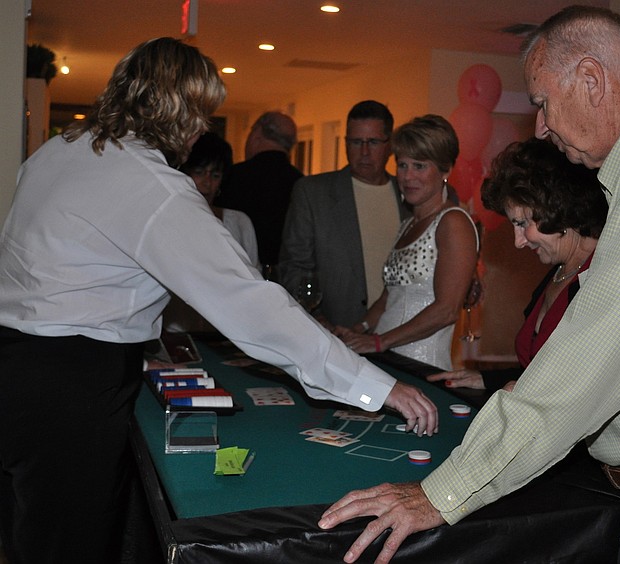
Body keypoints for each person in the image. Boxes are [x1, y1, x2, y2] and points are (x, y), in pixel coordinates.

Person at [318, 6, 620, 564]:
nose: (540, 125)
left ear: (590, 79)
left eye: (541, 102)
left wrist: (443, 492)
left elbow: (593, 351)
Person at [0, 37, 436, 564]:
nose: (202, 128)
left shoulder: (59, 149)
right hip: (72, 383)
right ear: (177, 110)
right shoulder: (154, 186)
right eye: (201, 113)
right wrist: (376, 385)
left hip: (16, 364)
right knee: (69, 545)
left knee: (28, 531)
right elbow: (251, 305)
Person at [427, 137, 607, 393]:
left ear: (557, 207)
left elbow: (591, 384)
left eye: (522, 224)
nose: (518, 242)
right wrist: (488, 379)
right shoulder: (557, 273)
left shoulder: (604, 276)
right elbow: (535, 371)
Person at [338, 114, 479, 371]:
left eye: (419, 166)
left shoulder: (453, 222)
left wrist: (380, 341)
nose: (407, 176)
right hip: (386, 360)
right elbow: (388, 299)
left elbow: (447, 310)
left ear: (445, 170)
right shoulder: (407, 224)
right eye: (402, 165)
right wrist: (356, 330)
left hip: (421, 365)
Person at [279, 100, 407, 328]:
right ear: (346, 143)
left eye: (373, 142)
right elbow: (294, 267)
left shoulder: (409, 195)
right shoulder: (313, 193)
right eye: (356, 142)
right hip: (338, 332)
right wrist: (317, 318)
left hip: (402, 330)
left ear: (390, 146)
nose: (364, 152)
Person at [163, 132, 260, 332]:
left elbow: (254, 284)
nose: (207, 183)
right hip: (177, 333)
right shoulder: (166, 221)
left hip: (228, 334)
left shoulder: (239, 222)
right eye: (199, 172)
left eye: (215, 175)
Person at [215, 110, 303, 276]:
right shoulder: (301, 184)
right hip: (286, 277)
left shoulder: (232, 177)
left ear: (256, 135)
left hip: (237, 274)